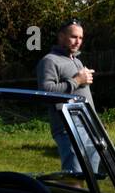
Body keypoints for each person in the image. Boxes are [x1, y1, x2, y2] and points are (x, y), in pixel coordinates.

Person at [37, 19, 96, 173]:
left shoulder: (77, 60)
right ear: (61, 36)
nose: (78, 42)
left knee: (91, 177)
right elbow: (46, 92)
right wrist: (76, 80)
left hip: (89, 126)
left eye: (81, 38)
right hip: (68, 128)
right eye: (74, 37)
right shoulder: (49, 61)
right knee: (74, 177)